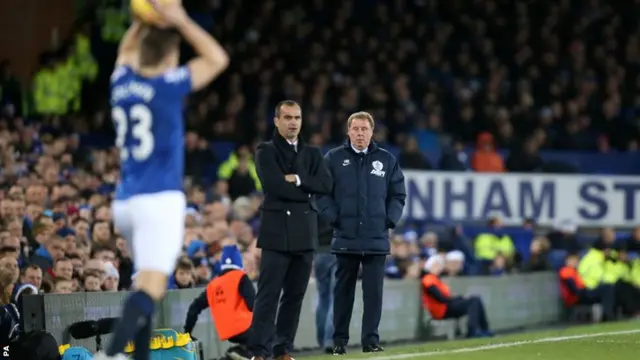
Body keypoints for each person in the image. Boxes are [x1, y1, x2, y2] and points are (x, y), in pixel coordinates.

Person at [95, 2, 229, 359]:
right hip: (159, 201)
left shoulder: (121, 83)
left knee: (146, 287)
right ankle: (111, 355)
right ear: (171, 58)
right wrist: (181, 19)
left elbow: (125, 52)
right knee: (151, 289)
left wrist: (142, 20)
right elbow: (217, 59)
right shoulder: (168, 86)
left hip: (125, 202)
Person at [317, 111, 406, 355]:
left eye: (364, 129)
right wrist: (334, 217)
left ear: (371, 132)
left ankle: (370, 341)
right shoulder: (333, 158)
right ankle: (339, 342)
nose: (359, 134)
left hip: (376, 238)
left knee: (373, 294)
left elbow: (398, 194)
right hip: (345, 237)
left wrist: (389, 219)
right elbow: (320, 193)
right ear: (348, 132)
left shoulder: (387, 160)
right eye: (355, 129)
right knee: (343, 293)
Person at [249, 100, 332, 360]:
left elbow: (326, 185)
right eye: (287, 117)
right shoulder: (266, 151)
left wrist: (296, 179)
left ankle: (282, 350)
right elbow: (274, 186)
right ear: (276, 121)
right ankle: (258, 352)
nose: (293, 122)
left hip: (305, 235)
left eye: (297, 117)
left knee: (294, 298)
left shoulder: (313, 154)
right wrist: (307, 189)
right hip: (276, 234)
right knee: (267, 297)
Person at [183, 244, 254, 360]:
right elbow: (254, 305)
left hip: (226, 332)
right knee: (269, 340)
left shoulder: (213, 285)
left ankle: (239, 352)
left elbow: (194, 308)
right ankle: (243, 353)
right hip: (247, 328)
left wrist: (187, 332)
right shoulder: (241, 277)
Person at [421, 256, 493, 338]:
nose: (439, 267)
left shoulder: (435, 278)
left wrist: (457, 299)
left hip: (445, 307)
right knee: (474, 300)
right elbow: (440, 298)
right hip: (442, 310)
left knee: (475, 299)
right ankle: (474, 330)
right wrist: (456, 300)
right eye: (436, 265)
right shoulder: (428, 279)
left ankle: (483, 329)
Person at [314, 216, 336, 353]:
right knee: (337, 296)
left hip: (319, 252)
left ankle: (322, 339)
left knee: (323, 298)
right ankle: (330, 340)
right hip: (339, 248)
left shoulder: (316, 198)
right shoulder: (341, 197)